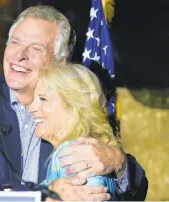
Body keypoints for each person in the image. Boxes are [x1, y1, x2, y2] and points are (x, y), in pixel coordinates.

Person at [0, 5, 148, 201]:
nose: (19, 56)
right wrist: (40, 196)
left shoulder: (75, 104)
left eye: (36, 49)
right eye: (15, 42)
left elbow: (133, 191)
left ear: (59, 63)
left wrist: (118, 162)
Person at [28, 63, 121, 200]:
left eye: (43, 99)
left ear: (73, 106)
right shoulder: (85, 150)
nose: (31, 108)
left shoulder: (73, 154)